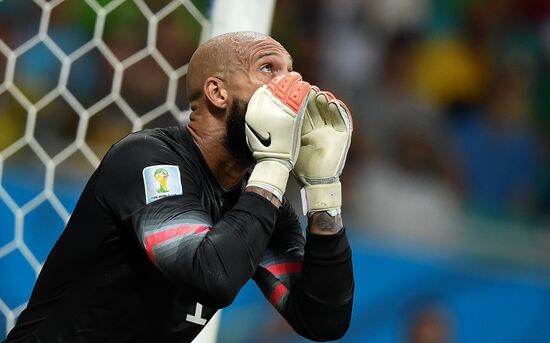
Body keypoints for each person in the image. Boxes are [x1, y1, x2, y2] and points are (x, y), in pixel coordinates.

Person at [4, 31, 354, 342]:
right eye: (268, 69)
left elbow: (323, 320)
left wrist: (323, 190)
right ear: (217, 92)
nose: (292, 88)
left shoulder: (263, 202)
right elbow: (208, 274)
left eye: (292, 72)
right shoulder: (146, 160)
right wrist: (275, 163)